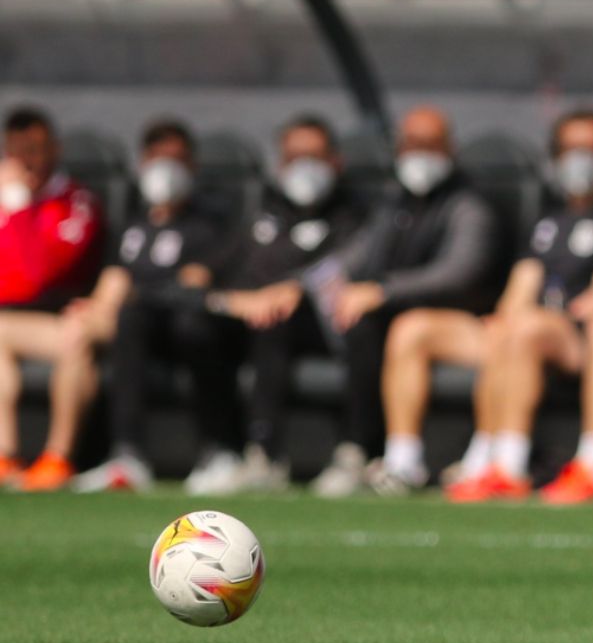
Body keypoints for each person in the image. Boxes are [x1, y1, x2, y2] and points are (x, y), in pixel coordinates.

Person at [366, 109, 593, 504]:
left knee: (524, 329)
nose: (581, 159)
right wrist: (504, 317)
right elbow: (524, 280)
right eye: (572, 149)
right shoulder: (547, 219)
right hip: (525, 331)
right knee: (414, 327)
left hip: (577, 339)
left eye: (592, 149)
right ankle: (404, 462)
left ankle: (505, 463)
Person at [221, 106, 502, 497]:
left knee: (368, 325)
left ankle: (358, 451)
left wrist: (382, 291)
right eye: (411, 144)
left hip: (444, 321)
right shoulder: (395, 203)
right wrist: (295, 287)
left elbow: (458, 273)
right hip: (385, 314)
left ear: (449, 149)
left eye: (429, 144)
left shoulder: (469, 205)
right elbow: (349, 258)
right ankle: (264, 454)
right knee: (282, 318)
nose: (418, 154)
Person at [70, 121, 246, 493]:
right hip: (139, 328)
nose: (166, 170)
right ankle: (126, 454)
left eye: (177, 160)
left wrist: (137, 292)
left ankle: (219, 450)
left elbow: (195, 282)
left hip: (190, 331)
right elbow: (113, 281)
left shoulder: (209, 223)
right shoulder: (133, 225)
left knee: (191, 325)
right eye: (157, 159)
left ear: (193, 166)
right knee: (126, 320)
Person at [204, 114, 366, 493]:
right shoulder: (263, 209)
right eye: (294, 157)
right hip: (264, 324)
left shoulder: (358, 213)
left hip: (332, 326)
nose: (304, 167)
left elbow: (352, 260)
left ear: (335, 161)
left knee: (361, 324)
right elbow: (216, 267)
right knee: (211, 325)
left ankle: (352, 454)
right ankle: (255, 455)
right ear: (280, 164)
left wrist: (299, 287)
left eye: (314, 155)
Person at [0, 107, 103, 490]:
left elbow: (37, 276)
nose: (28, 160)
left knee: (77, 340)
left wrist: (20, 208)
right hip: (7, 320)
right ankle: (5, 456)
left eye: (36, 148)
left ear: (54, 149)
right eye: (18, 150)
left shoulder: (77, 202)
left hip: (59, 318)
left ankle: (56, 459)